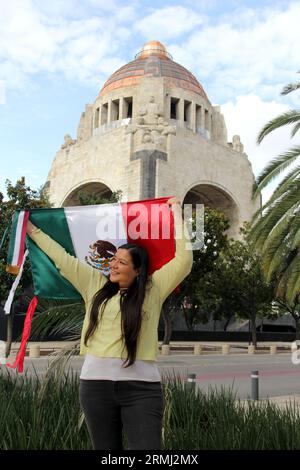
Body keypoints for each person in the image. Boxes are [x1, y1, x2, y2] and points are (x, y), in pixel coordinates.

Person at [26, 197, 193, 450]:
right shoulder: (94, 284)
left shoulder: (153, 288)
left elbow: (184, 261)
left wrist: (176, 213)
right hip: (95, 388)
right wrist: (32, 229)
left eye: (122, 262)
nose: (113, 264)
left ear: (138, 271)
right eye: (114, 259)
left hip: (143, 389)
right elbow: (61, 256)